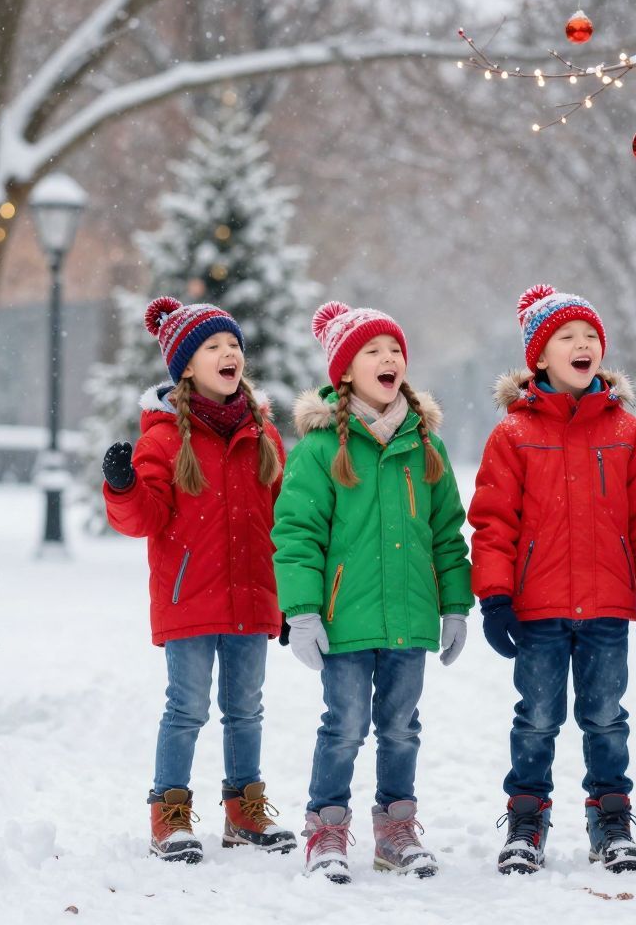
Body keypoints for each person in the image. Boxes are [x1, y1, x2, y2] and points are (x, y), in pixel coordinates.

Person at [468, 284, 636, 875]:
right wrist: (495, 597)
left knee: (606, 717)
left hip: (607, 605)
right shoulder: (513, 434)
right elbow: (493, 521)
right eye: (567, 337)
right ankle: (526, 819)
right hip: (537, 608)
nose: (582, 344)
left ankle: (610, 818)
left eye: (590, 336)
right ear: (540, 356)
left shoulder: (626, 431)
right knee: (537, 717)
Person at [271, 301, 473, 883]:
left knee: (402, 726)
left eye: (395, 350)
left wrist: (456, 606)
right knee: (345, 726)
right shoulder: (320, 449)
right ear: (345, 371)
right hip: (345, 619)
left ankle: (396, 830)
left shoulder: (425, 446)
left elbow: (446, 533)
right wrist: (302, 611)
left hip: (410, 616)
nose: (389, 359)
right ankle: (327, 828)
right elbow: (297, 534)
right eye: (372, 351)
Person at [103, 296, 295, 864]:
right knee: (186, 708)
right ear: (186, 365)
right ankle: (170, 816)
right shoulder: (164, 439)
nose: (228, 353)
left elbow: (285, 519)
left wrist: (291, 595)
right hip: (188, 596)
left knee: (246, 709)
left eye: (233, 344)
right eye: (213, 346)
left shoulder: (264, 435)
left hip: (253, 596)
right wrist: (122, 487)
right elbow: (143, 519)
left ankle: (244, 813)